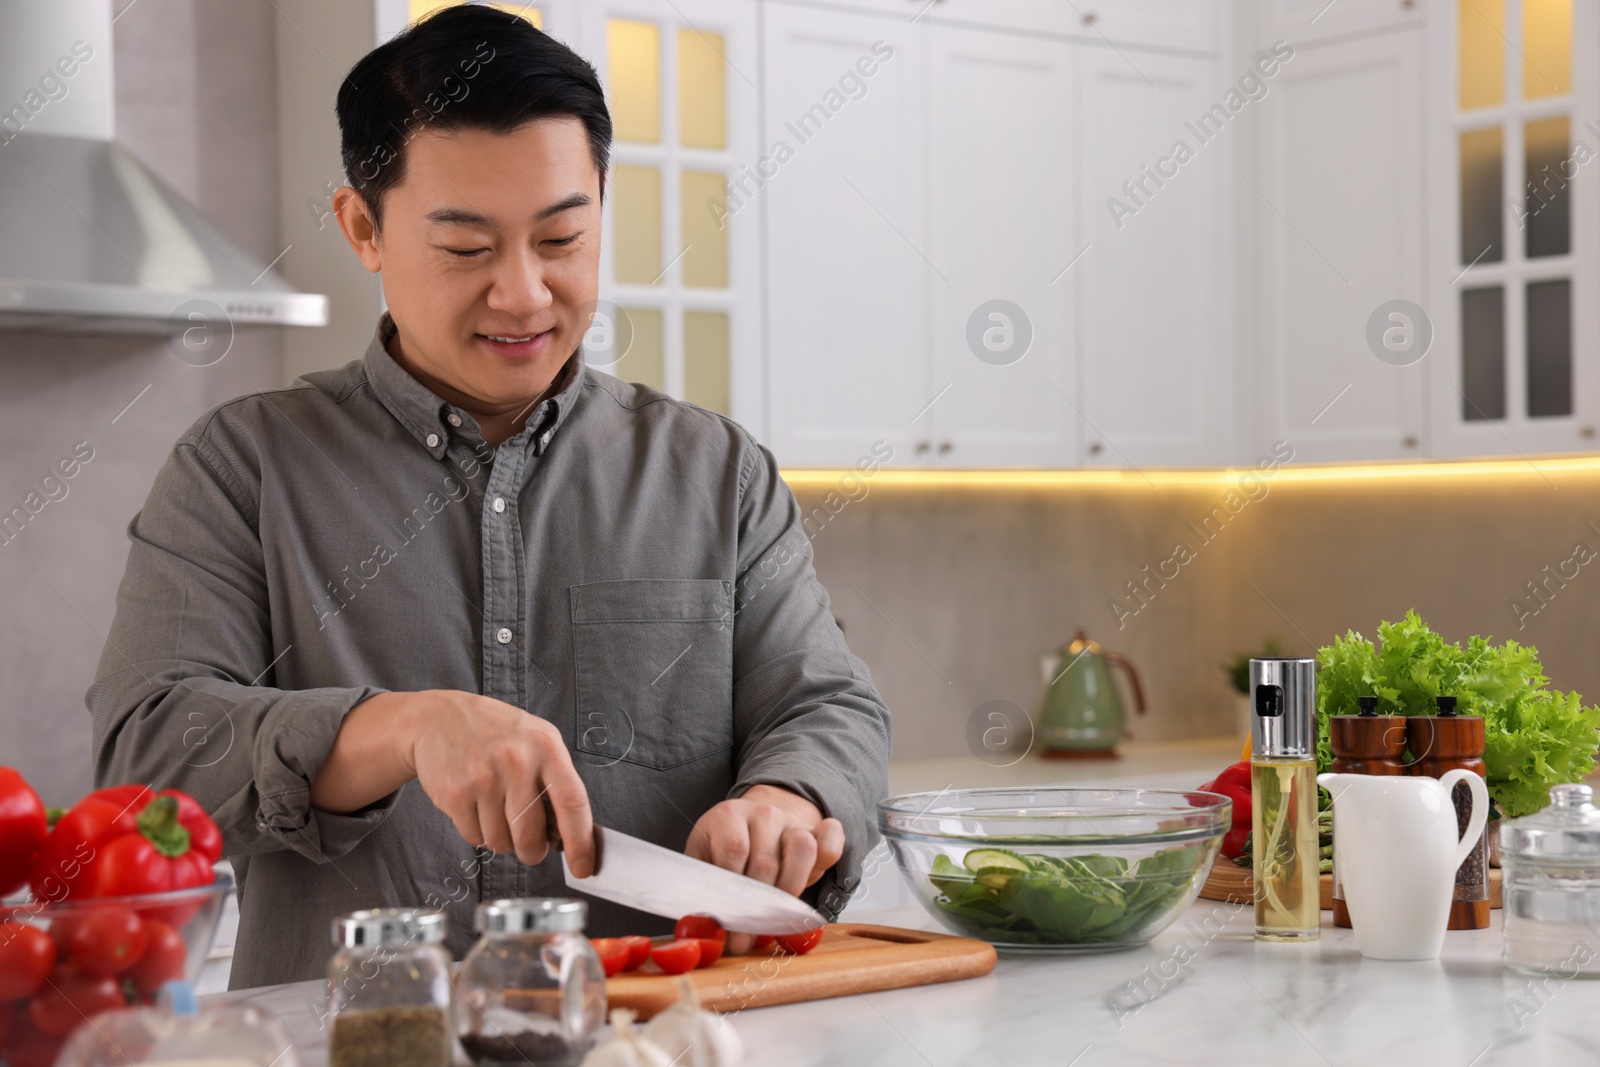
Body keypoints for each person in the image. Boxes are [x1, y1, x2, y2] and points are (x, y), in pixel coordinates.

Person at [87, 4, 891, 989]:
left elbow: (826, 704)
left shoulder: (717, 473)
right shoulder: (243, 468)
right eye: (467, 249)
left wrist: (788, 793)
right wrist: (398, 728)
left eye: (561, 237)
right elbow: (148, 754)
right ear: (361, 228)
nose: (522, 293)